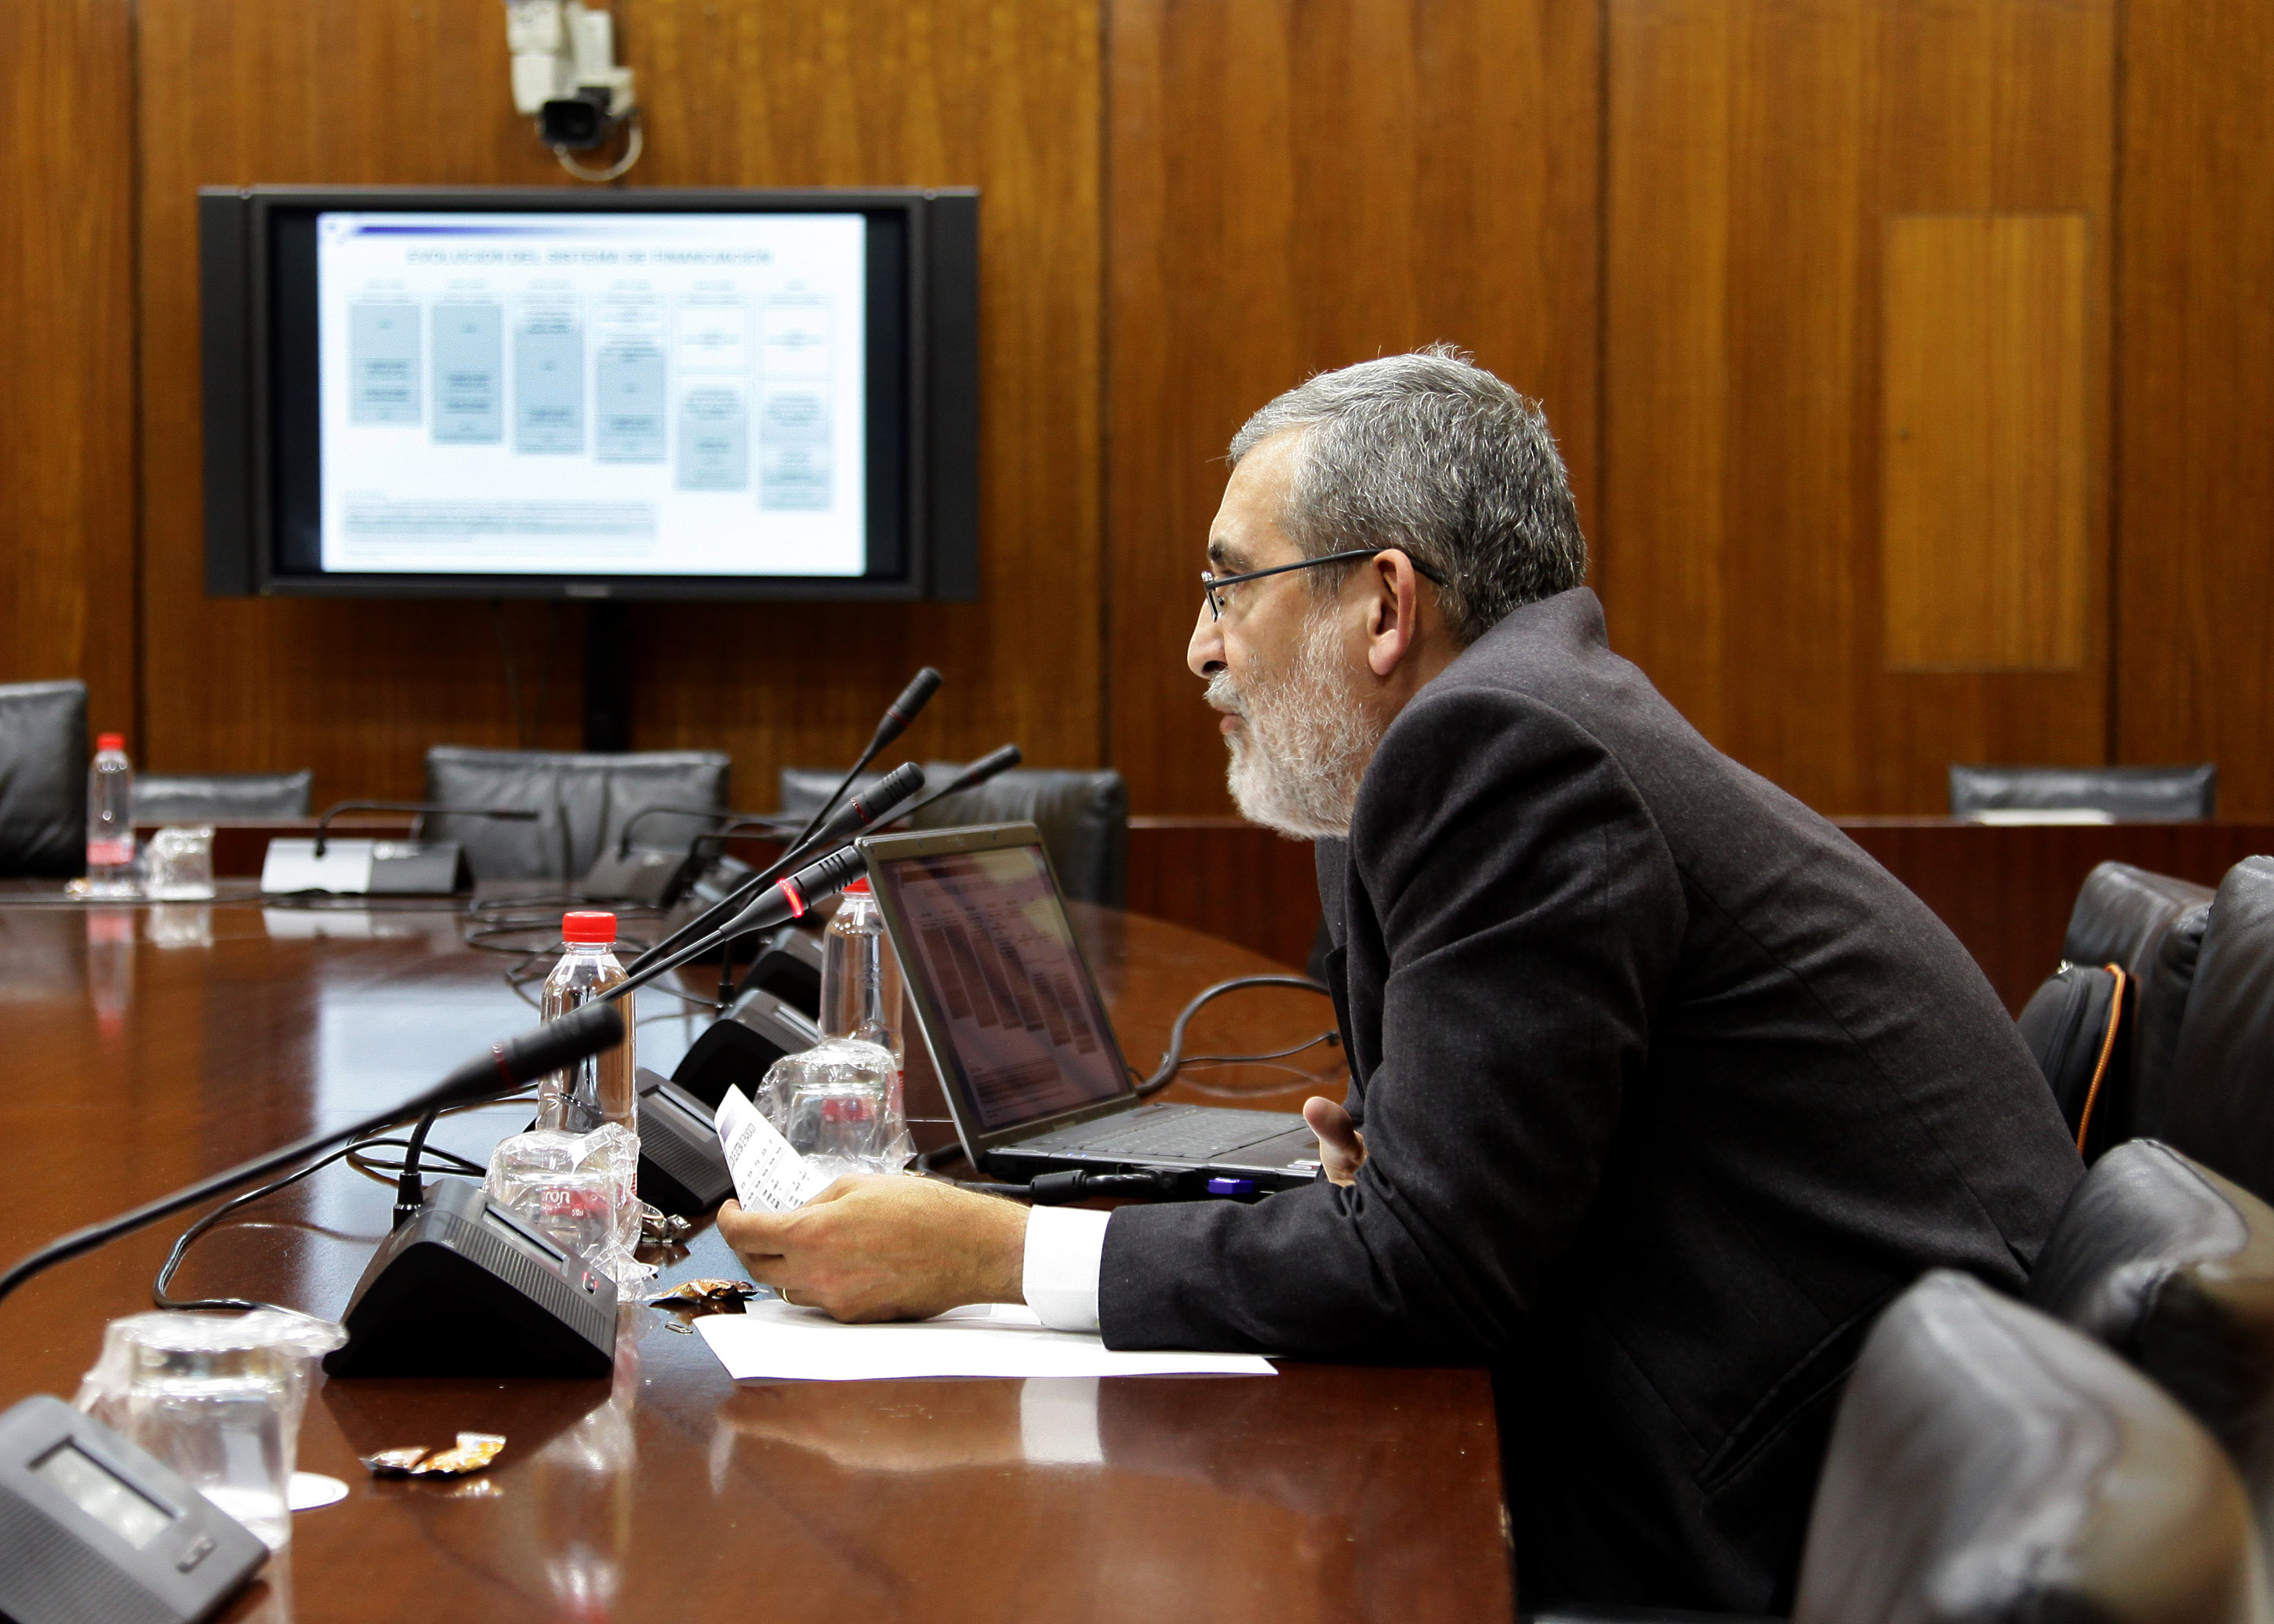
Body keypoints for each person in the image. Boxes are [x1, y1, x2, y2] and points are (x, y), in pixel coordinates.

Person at [717, 347, 2084, 1612]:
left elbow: (1433, 1272)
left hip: (1835, 1490)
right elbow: (1445, 1208)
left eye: (1225, 585)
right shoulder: (1478, 738)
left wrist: (990, 1254)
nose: (1199, 647)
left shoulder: (1503, 749)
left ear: (1382, 603)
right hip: (1830, 1411)